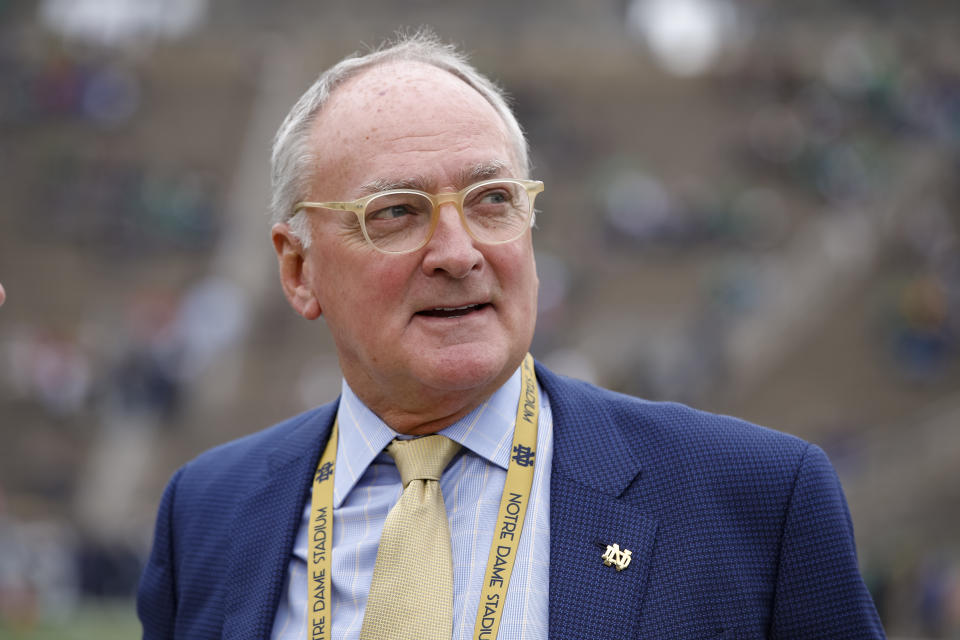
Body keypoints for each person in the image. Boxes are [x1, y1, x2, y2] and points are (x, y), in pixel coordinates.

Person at [137, 32, 885, 639]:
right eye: (397, 212)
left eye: (493, 200)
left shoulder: (755, 499)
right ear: (299, 269)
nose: (460, 253)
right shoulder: (205, 514)